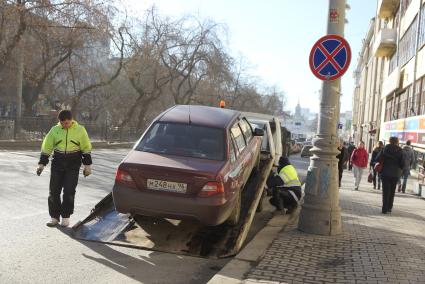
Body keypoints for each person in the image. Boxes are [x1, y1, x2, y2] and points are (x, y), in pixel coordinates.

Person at [36, 110, 93, 227]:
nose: (66, 125)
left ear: (72, 120)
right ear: (59, 122)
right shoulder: (54, 130)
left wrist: (87, 166)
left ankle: (66, 217)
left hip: (73, 164)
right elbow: (47, 147)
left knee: (69, 191)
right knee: (54, 191)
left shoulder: (80, 130)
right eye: (63, 123)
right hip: (57, 163)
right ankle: (54, 217)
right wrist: (41, 164)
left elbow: (86, 148)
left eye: (68, 123)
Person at [376, 137, 404, 214]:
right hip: (395, 174)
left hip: (385, 173)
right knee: (392, 191)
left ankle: (384, 209)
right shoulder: (400, 151)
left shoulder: (385, 149)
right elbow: (402, 164)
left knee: (385, 191)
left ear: (390, 141)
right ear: (397, 142)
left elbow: (377, 158)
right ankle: (389, 207)